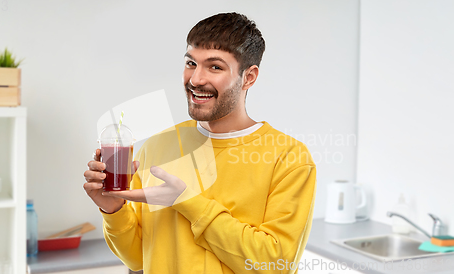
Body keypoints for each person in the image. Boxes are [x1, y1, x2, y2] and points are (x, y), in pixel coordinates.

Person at [84, 12, 316, 274]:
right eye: (191, 63)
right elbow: (137, 257)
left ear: (249, 77)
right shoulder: (156, 147)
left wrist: (188, 202)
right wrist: (113, 210)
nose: (195, 80)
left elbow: (276, 265)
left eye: (215, 67)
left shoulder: (289, 158)